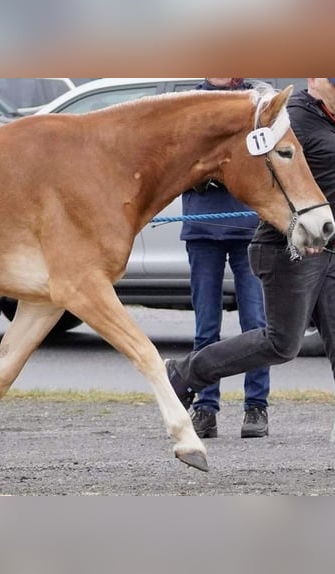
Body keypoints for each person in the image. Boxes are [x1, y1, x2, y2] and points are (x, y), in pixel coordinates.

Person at [167, 78, 335, 434]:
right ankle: (186, 373)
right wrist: (294, 227)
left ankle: (242, 401)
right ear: (314, 82)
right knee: (280, 343)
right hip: (288, 249)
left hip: (328, 246)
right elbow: (262, 176)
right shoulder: (293, 121)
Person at [179, 78, 270, 439]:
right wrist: (202, 175)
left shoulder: (256, 101)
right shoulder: (189, 103)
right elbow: (174, 161)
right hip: (202, 230)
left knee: (257, 326)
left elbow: (267, 158)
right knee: (206, 329)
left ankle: (256, 407)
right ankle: (206, 408)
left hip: (249, 229)